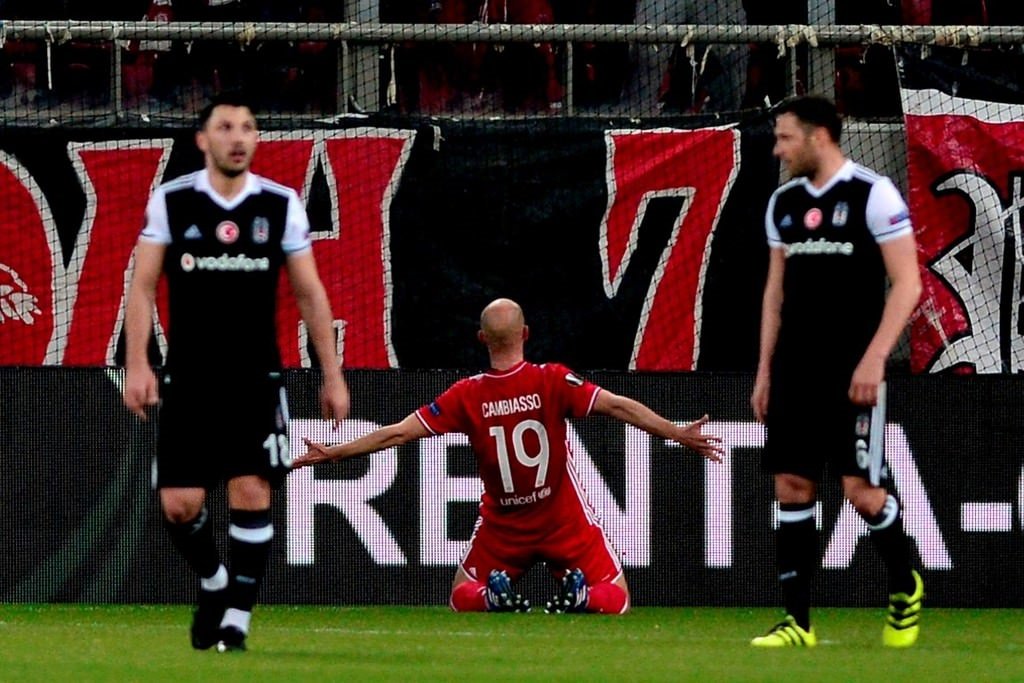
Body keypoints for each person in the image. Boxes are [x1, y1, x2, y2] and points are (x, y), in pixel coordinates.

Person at [294, 298, 723, 614]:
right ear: (526, 334)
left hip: (504, 524)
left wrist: (334, 453)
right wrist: (676, 432)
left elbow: (398, 435)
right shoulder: (553, 380)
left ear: (482, 339)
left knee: (463, 595)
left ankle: (491, 595)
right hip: (561, 517)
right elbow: (618, 406)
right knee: (617, 596)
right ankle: (584, 596)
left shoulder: (467, 395)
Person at [122, 90, 350, 653]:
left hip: (256, 380)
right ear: (203, 140)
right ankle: (216, 583)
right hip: (189, 380)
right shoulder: (172, 202)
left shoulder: (280, 205)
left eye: (247, 127)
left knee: (252, 491)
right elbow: (142, 286)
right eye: (225, 127)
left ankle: (236, 624)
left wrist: (332, 373)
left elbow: (309, 291)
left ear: (256, 139)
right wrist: (137, 361)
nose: (238, 137)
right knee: (180, 504)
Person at [750, 95, 924, 648]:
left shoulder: (873, 194)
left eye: (785, 138)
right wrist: (764, 372)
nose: (778, 150)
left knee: (860, 492)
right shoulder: (783, 204)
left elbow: (909, 283)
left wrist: (875, 357)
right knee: (791, 485)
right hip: (794, 371)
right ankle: (797, 622)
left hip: (853, 373)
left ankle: (905, 580)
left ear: (818, 134)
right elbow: (774, 294)